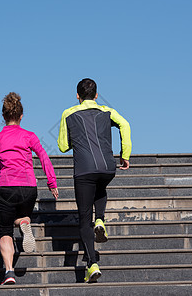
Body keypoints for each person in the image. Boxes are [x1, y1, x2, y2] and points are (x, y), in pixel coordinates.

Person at [57, 78, 132, 283]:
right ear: (96, 95)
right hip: (108, 167)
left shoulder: (68, 113)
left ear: (78, 96)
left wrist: (78, 139)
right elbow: (125, 125)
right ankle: (100, 219)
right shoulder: (107, 111)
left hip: (84, 170)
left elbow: (63, 146)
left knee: (83, 219)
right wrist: (125, 154)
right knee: (101, 185)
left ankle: (91, 263)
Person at [0, 92, 58, 285]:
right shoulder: (29, 136)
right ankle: (24, 221)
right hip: (29, 188)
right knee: (22, 216)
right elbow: (43, 157)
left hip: (7, 188)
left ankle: (8, 272)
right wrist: (51, 183)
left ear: (3, 116)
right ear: (21, 115)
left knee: (5, 231)